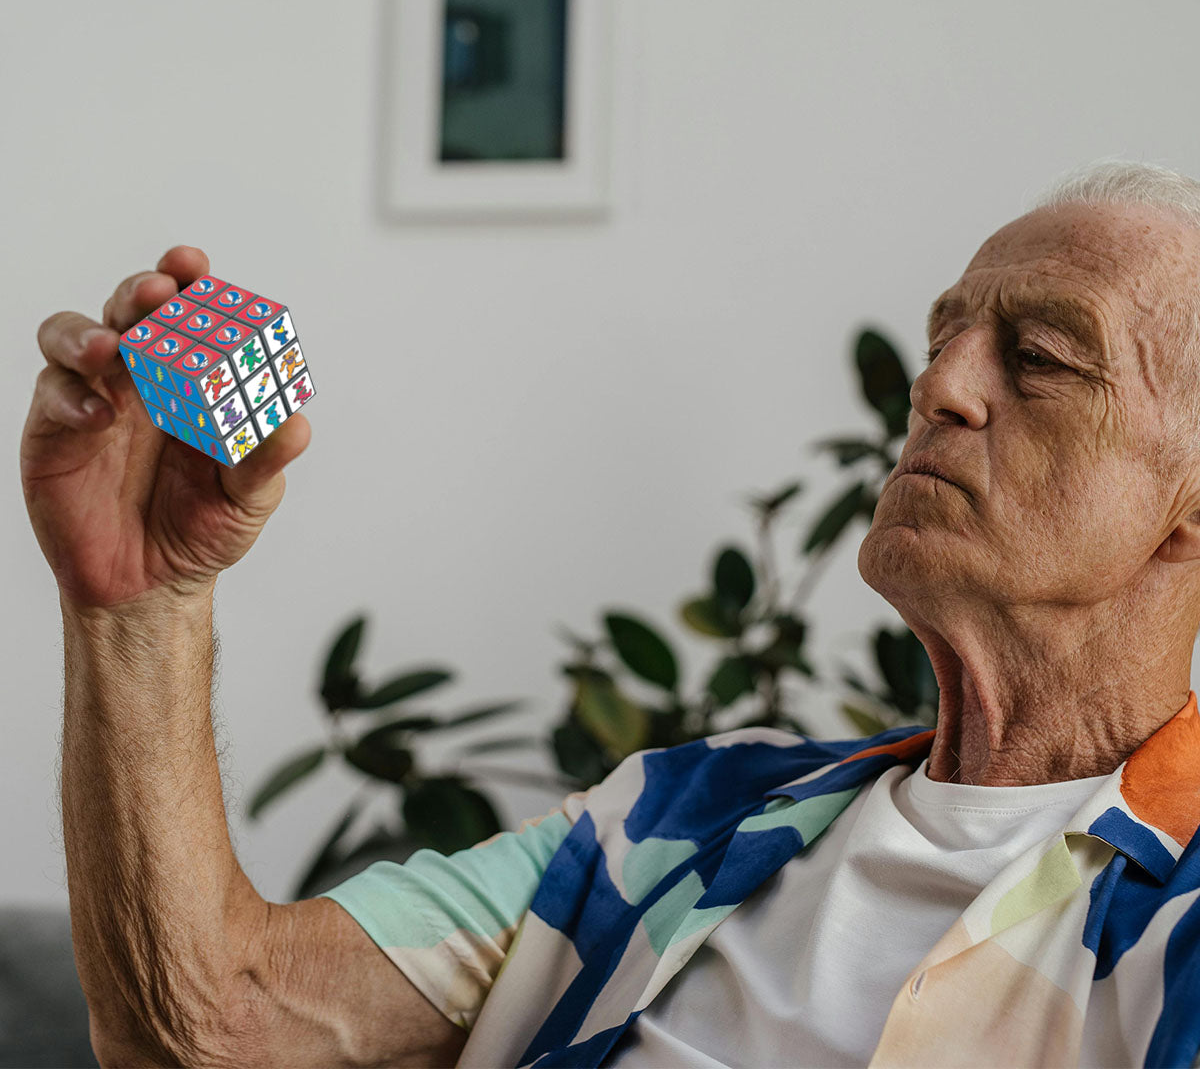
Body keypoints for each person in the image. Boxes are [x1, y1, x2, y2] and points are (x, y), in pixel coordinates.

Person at [19, 159, 1200, 1069]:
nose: (939, 384)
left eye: (1040, 359)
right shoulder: (676, 821)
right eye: (945, 338)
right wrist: (143, 606)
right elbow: (210, 1030)